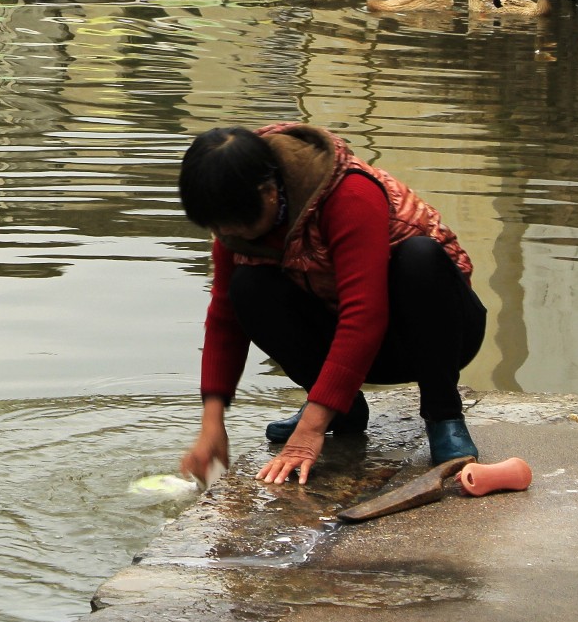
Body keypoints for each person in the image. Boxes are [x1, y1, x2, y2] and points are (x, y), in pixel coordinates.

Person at [175, 123, 486, 485]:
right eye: (222, 229)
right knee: (248, 286)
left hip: (434, 334)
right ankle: (343, 409)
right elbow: (225, 318)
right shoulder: (235, 224)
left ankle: (444, 414)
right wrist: (212, 424)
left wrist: (309, 431)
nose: (234, 236)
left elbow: (364, 313)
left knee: (420, 257)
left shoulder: (349, 193)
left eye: (240, 225)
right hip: (351, 342)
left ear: (270, 191)